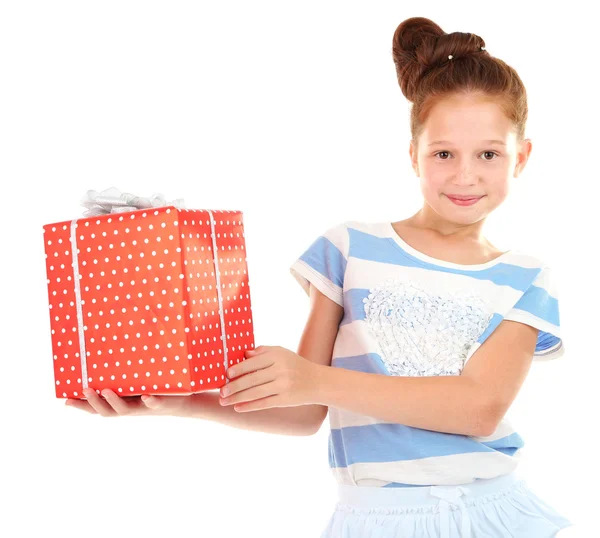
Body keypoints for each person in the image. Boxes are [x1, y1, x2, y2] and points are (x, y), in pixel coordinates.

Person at [66, 16, 575, 537]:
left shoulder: (526, 277)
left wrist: (314, 380)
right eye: (443, 153)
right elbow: (305, 409)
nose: (465, 175)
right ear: (413, 156)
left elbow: (479, 410)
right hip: (374, 519)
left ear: (522, 158)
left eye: (488, 154)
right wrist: (176, 401)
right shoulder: (349, 248)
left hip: (490, 512)